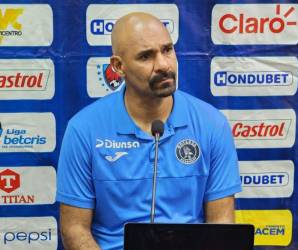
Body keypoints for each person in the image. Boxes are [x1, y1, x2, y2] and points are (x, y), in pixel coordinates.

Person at [56, 12, 241, 250]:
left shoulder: (212, 124)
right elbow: (74, 229)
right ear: (118, 66)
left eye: (167, 50)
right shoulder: (83, 129)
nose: (163, 65)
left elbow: (221, 224)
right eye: (146, 56)